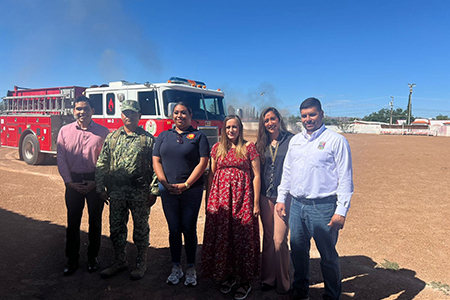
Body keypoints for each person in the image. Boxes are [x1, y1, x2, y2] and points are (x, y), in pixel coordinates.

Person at [275, 98, 354, 300]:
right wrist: (281, 198)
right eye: (304, 115)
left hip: (324, 207)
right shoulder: (296, 141)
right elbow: (288, 172)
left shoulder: (336, 141)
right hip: (297, 206)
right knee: (298, 253)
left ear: (321, 114)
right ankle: (301, 292)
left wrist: (341, 211)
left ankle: (331, 296)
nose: (308, 119)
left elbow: (345, 179)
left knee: (328, 257)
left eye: (312, 114)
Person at [96, 100, 158, 281]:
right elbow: (102, 163)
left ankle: (141, 263)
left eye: (132, 113)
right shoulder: (112, 137)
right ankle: (120, 260)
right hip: (116, 193)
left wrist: (153, 191)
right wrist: (100, 186)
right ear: (121, 115)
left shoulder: (148, 140)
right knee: (116, 229)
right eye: (125, 113)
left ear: (139, 116)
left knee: (140, 230)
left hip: (139, 193)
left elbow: (156, 166)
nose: (128, 116)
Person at [202, 115, 261, 300]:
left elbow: (256, 176)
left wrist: (256, 203)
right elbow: (211, 176)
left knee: (243, 237)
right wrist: (209, 200)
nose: (231, 130)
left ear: (240, 128)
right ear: (223, 129)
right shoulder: (217, 149)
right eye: (228, 127)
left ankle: (244, 280)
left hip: (243, 199)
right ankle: (227, 274)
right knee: (223, 236)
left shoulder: (249, 148)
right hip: (220, 200)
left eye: (234, 127)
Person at [152, 102, 209, 287]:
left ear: (190, 114)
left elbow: (203, 163)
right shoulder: (163, 136)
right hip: (167, 190)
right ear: (172, 116)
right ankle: (176, 266)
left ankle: (191, 268)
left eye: (183, 112)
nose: (179, 116)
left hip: (191, 191)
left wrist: (186, 184)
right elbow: (156, 160)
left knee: (189, 228)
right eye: (176, 113)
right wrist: (164, 183)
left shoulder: (199, 136)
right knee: (174, 229)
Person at [57, 95, 110, 276]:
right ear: (74, 111)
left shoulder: (103, 132)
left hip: (95, 182)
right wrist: (69, 182)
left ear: (92, 111)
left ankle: (92, 258)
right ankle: (71, 260)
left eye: (86, 108)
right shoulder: (64, 131)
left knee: (95, 223)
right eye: (78, 109)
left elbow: (107, 160)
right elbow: (61, 158)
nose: (82, 112)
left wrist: (97, 182)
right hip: (73, 183)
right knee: (73, 223)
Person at [256, 107, 294, 294]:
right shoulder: (260, 144)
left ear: (279, 119)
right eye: (266, 120)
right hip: (265, 196)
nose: (270, 123)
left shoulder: (292, 140)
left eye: (272, 119)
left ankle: (284, 281)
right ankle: (268, 278)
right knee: (268, 238)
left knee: (280, 239)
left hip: (283, 197)